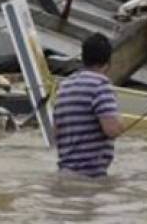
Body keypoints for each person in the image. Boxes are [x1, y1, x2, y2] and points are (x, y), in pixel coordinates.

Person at [53, 33, 125, 178]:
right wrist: (121, 124)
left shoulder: (65, 86)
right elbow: (112, 129)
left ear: (83, 57)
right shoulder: (101, 85)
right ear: (108, 61)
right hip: (89, 178)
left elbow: (55, 132)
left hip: (65, 173)